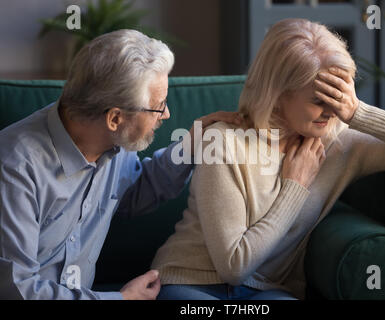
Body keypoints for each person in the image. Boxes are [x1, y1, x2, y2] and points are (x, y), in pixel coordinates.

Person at [151, 18, 385, 300]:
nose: (332, 111)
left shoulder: (341, 143)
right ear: (279, 94)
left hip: (269, 290)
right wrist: (294, 187)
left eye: (340, 97)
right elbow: (234, 267)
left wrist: (359, 113)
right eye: (320, 100)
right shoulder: (225, 142)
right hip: (193, 282)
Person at [0, 29, 241, 300]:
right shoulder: (14, 168)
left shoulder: (115, 142)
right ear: (115, 118)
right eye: (158, 106)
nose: (167, 114)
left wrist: (191, 144)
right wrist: (121, 300)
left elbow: (137, 190)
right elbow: (15, 289)